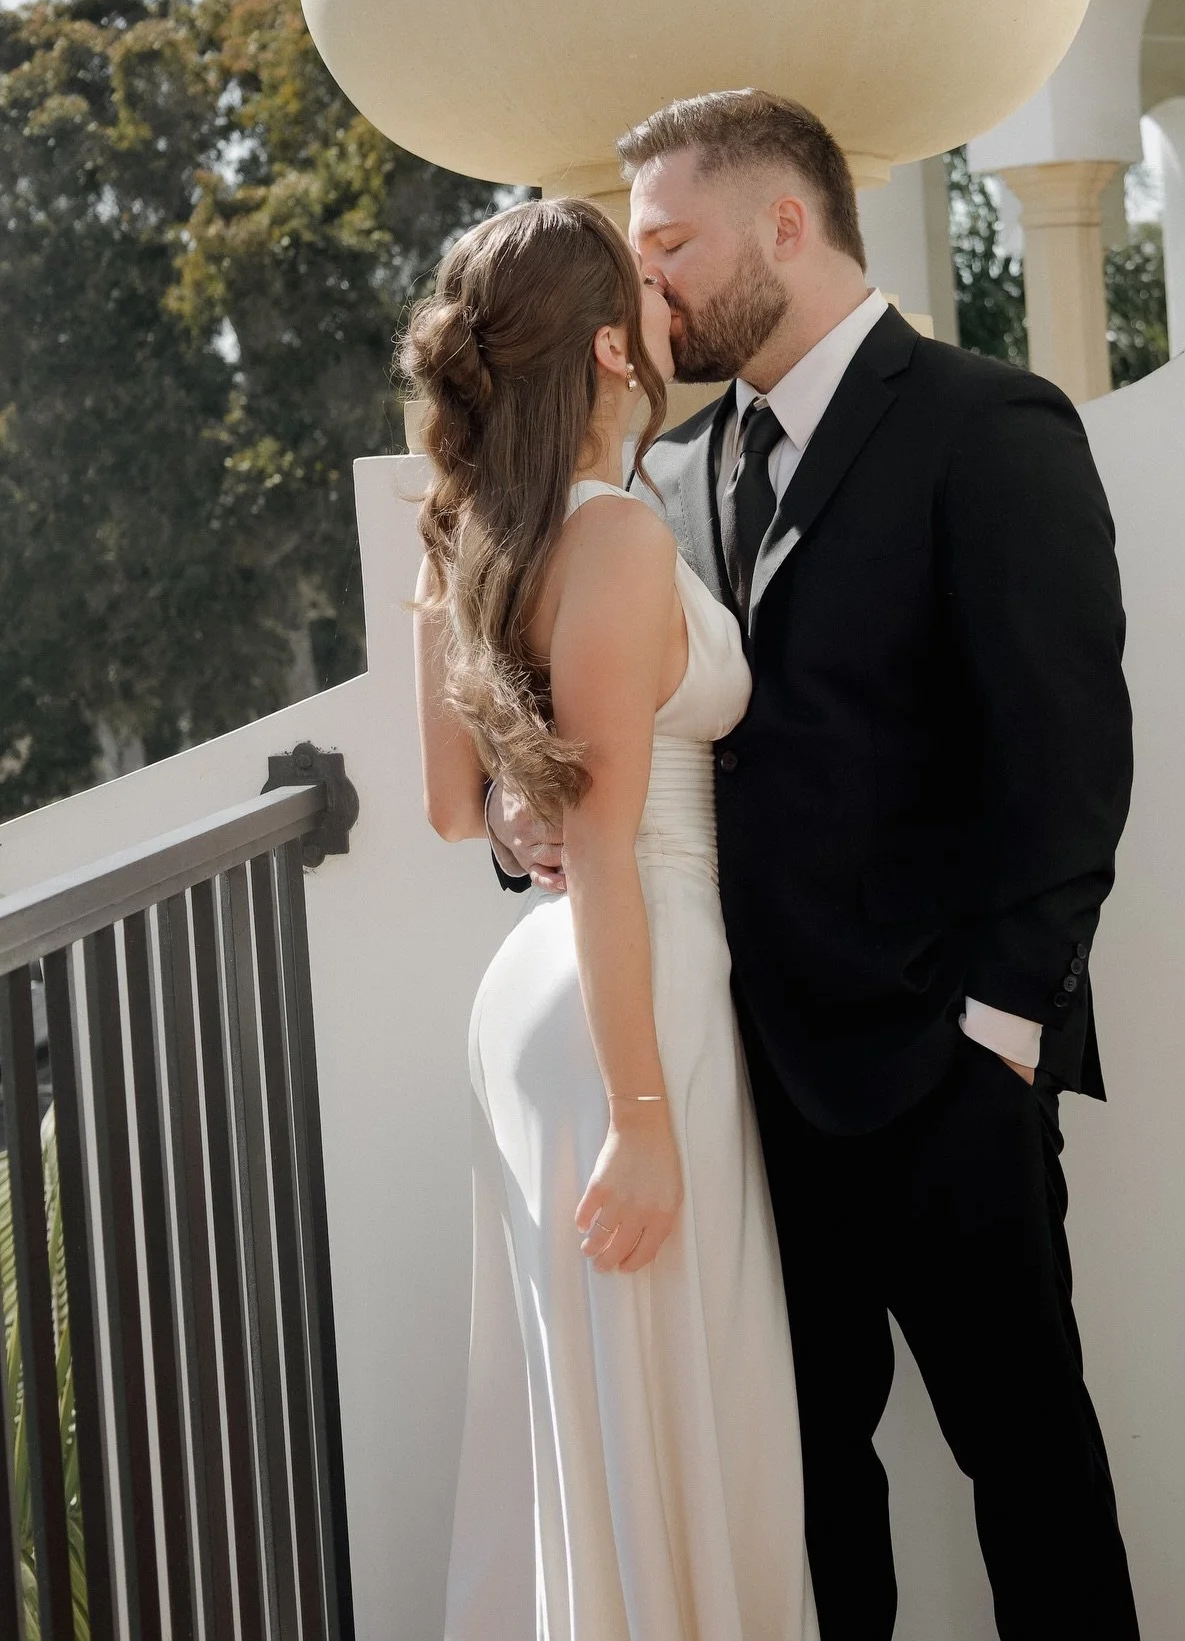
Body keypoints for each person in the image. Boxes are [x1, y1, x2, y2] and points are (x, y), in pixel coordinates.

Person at [488, 91, 1141, 1640]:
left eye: (669, 249)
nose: (645, 292)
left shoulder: (990, 427)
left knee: (1030, 1469)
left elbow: (1070, 763)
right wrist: (533, 833)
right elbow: (621, 732)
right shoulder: (675, 469)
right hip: (745, 1089)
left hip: (946, 1081)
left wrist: (998, 1035)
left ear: (787, 225)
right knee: (804, 1494)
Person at [407, 196, 819, 1641]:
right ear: (605, 348)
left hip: (539, 990)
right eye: (641, 291)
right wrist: (643, 1113)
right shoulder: (622, 536)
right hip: (629, 993)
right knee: (669, 1399)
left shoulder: (465, 534)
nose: (664, 302)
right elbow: (593, 829)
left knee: (590, 1410)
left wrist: (539, 804)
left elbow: (465, 812)